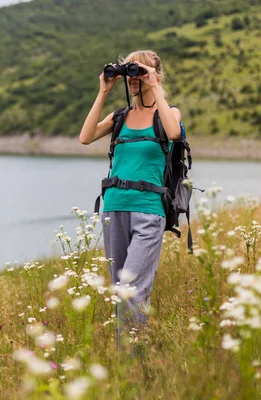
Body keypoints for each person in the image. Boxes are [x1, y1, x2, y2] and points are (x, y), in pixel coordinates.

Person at [79, 50, 182, 335]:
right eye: (130, 72)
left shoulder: (167, 114)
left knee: (132, 290)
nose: (133, 78)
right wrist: (103, 91)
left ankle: (133, 358)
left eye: (140, 71)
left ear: (155, 76)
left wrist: (154, 86)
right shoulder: (120, 116)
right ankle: (126, 360)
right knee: (118, 291)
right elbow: (85, 137)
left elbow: (174, 133)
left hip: (149, 210)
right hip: (113, 208)